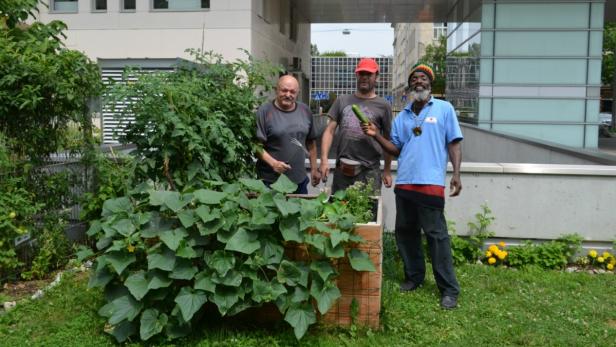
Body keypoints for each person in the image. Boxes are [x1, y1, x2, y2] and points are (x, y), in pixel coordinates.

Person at [361, 63, 463, 309]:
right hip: (405, 183)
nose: (419, 81)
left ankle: (449, 289)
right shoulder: (403, 116)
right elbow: (395, 150)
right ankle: (414, 277)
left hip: (430, 184)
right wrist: (376, 134)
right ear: (409, 86)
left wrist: (457, 174)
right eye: (414, 78)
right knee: (405, 234)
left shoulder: (444, 109)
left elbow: (454, 143)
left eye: (423, 78)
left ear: (430, 84)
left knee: (437, 237)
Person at [319, 58, 393, 193]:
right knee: (339, 211)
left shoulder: (384, 106)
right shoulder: (342, 100)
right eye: (361, 73)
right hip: (342, 171)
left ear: (376, 77)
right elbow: (329, 131)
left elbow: (388, 140)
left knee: (369, 212)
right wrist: (324, 160)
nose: (364, 77)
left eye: (369, 74)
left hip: (369, 172)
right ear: (356, 75)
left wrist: (387, 170)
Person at [255, 75, 320, 193]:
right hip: (270, 182)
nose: (288, 94)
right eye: (284, 90)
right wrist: (273, 163)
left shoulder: (305, 111)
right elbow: (256, 146)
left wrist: (314, 169)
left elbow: (311, 143)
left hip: (299, 180)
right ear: (276, 89)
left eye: (292, 92)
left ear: (297, 93)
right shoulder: (264, 111)